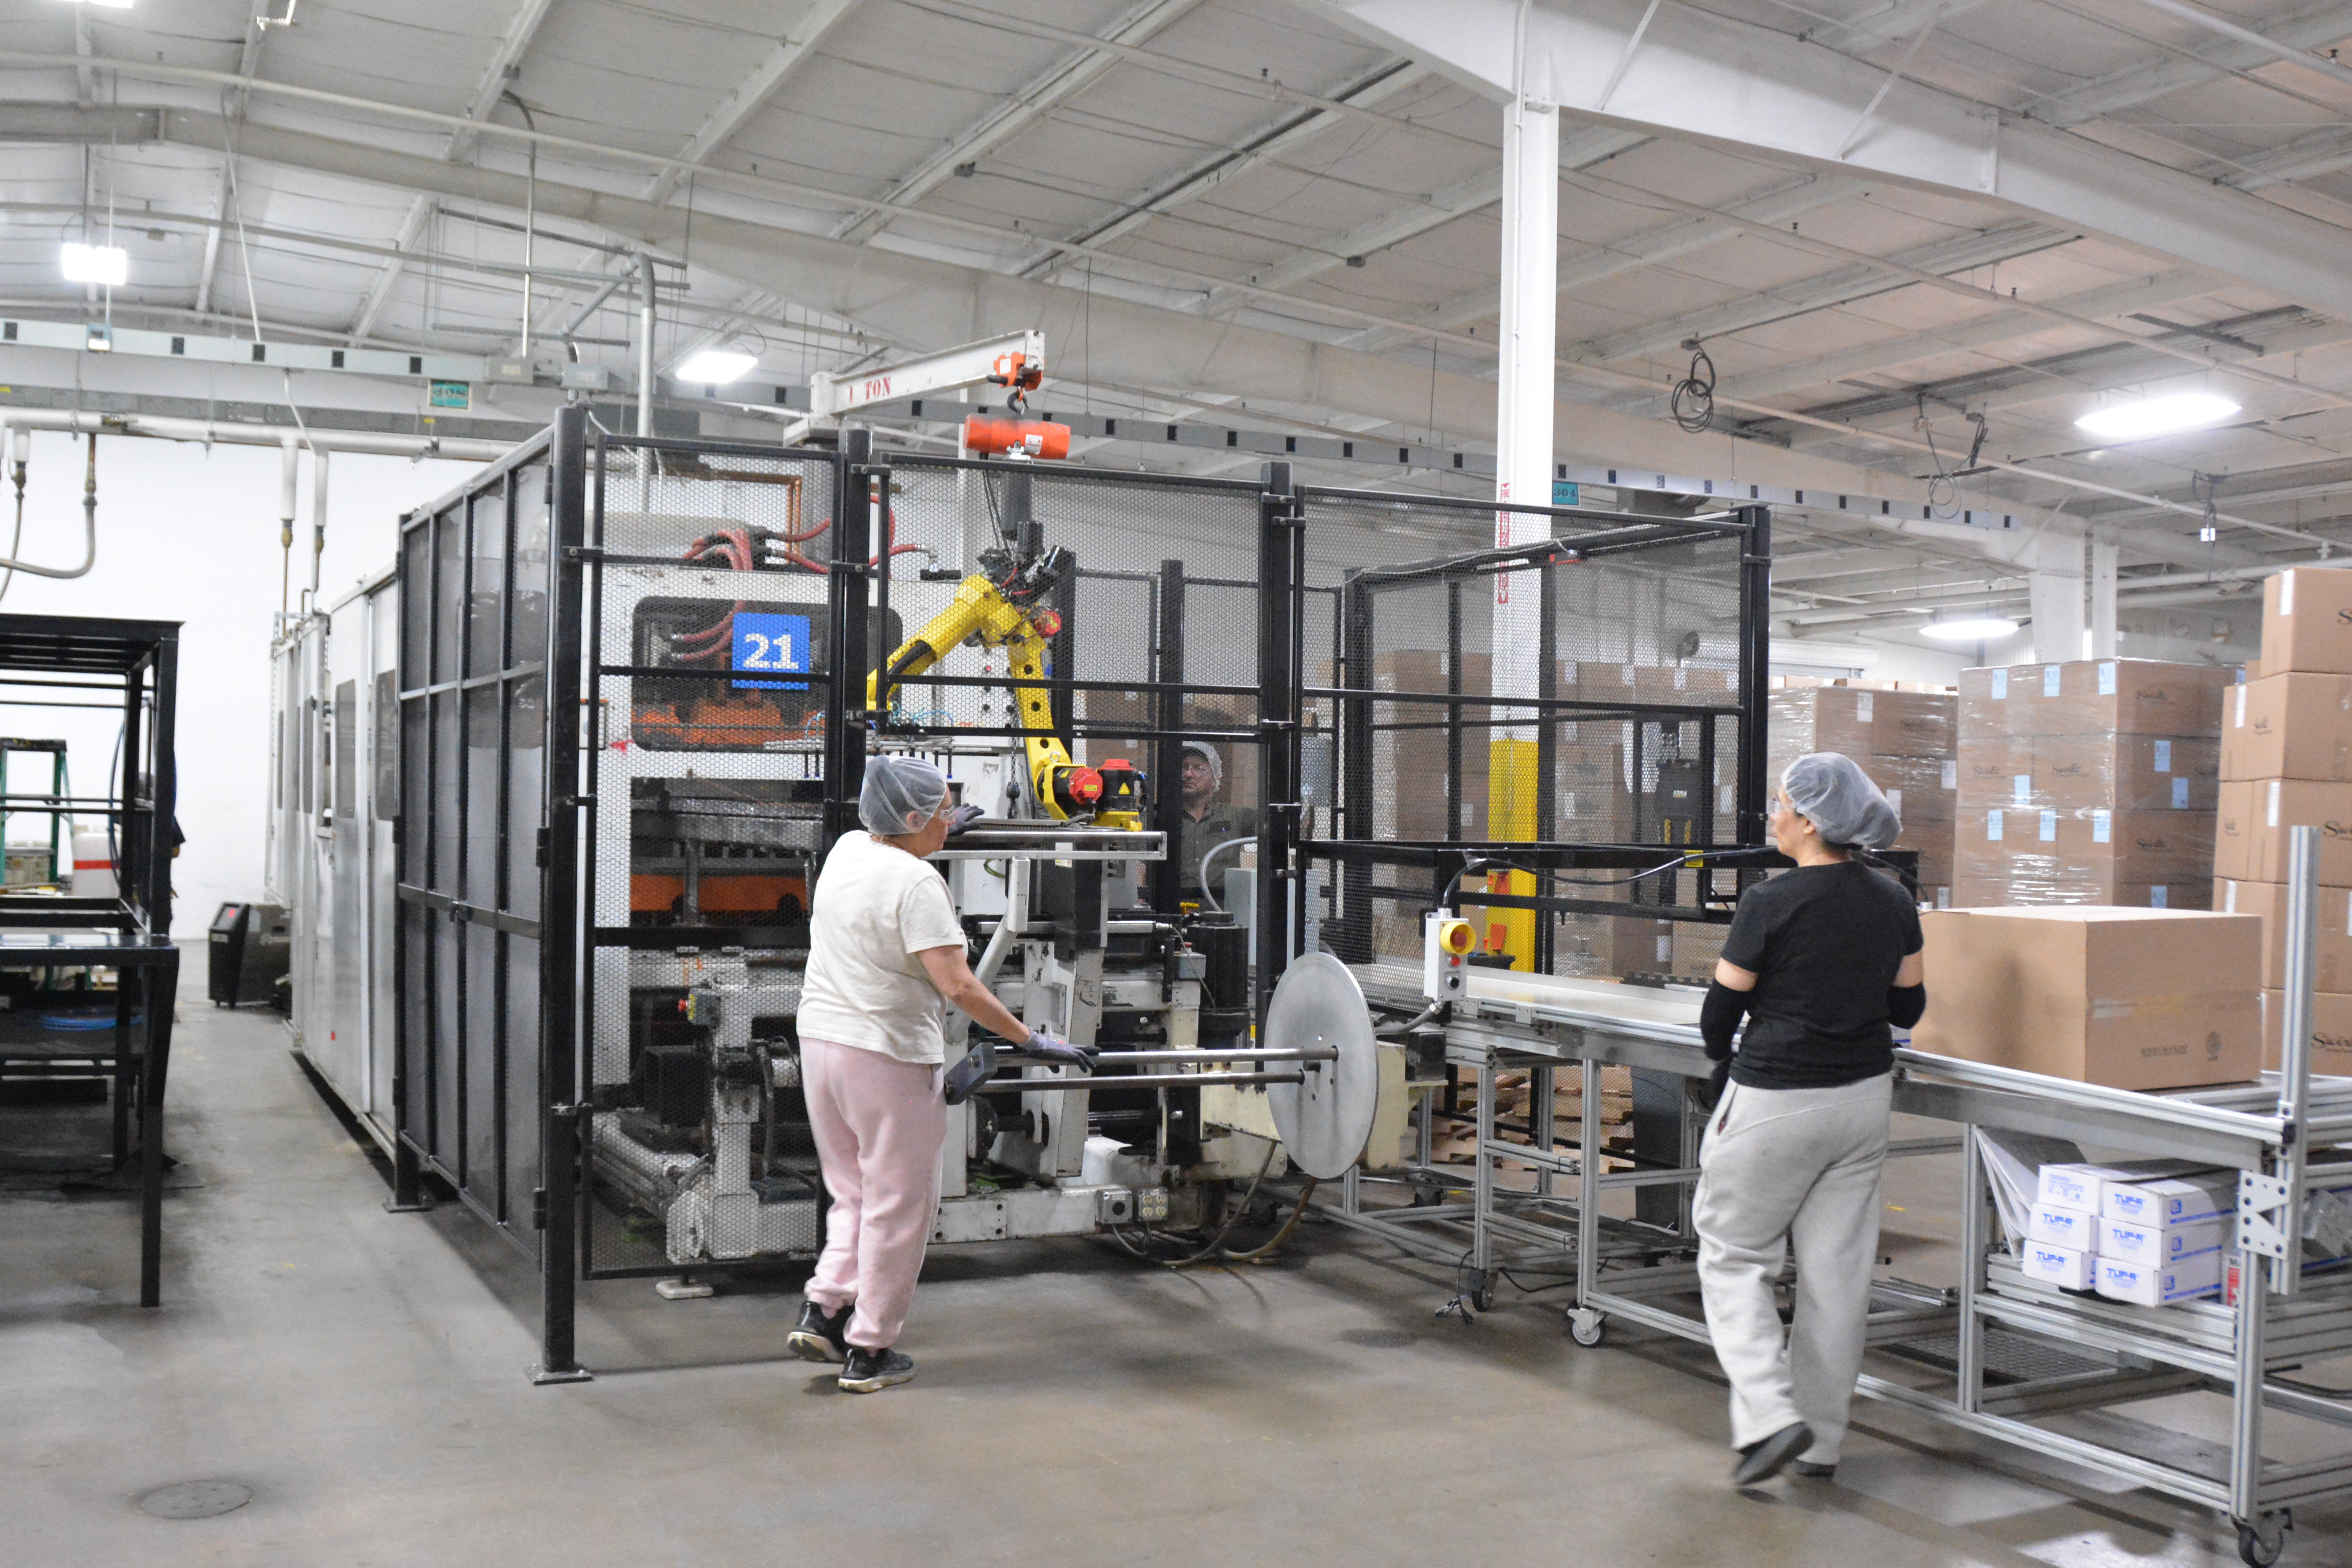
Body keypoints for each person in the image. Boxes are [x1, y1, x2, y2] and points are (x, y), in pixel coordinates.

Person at [784, 755, 1090, 1393]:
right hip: (886, 1055)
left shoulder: (847, 849)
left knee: (854, 1192)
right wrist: (1030, 1038)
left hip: (821, 1044)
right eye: (945, 811)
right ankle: (869, 1350)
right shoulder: (921, 885)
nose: (954, 821)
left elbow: (894, 868)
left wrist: (936, 839)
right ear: (914, 817)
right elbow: (957, 985)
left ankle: (823, 1307)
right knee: (900, 1206)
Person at [1692, 752, 1926, 1487]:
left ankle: (1768, 1419)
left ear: (1813, 819)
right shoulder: (1894, 899)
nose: (1774, 816)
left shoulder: (1770, 900)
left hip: (1774, 1101)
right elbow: (1909, 1009)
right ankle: (1822, 1443)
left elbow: (1719, 1014)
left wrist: (1726, 1057)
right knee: (1836, 1278)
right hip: (1861, 1102)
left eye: (1781, 804)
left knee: (1733, 1257)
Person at [1174, 741, 1256, 902]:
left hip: (1222, 913)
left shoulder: (1233, 817)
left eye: (1198, 768)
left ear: (1215, 778)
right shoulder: (1163, 817)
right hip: (1173, 912)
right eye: (1185, 768)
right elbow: (1140, 862)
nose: (1188, 775)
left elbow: (1278, 824)